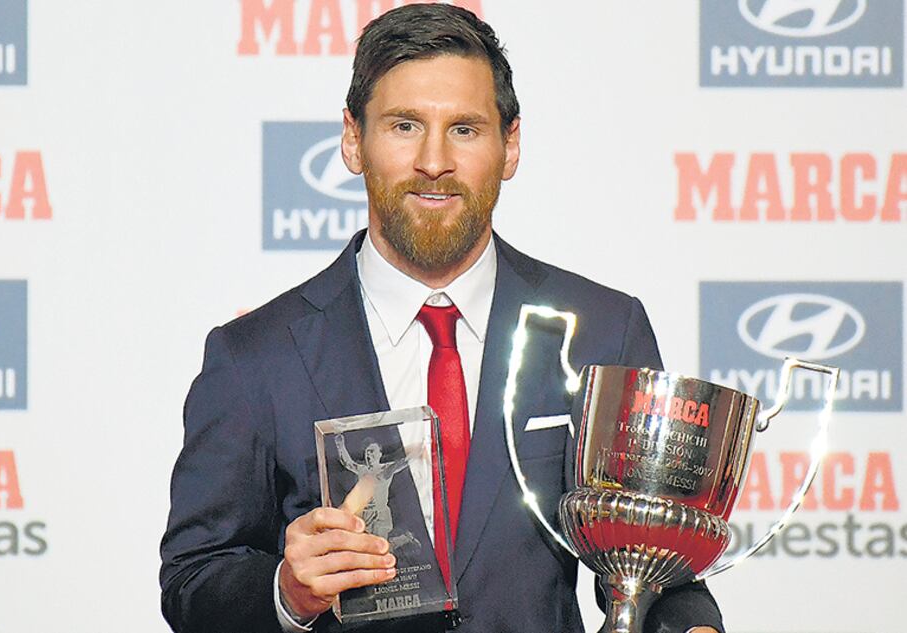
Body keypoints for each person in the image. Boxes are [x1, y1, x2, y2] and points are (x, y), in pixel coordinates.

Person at [159, 4, 725, 633]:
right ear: (353, 138)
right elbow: (192, 582)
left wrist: (689, 626)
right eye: (404, 126)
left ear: (510, 145)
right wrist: (287, 592)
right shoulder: (254, 356)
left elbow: (659, 568)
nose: (434, 160)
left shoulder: (602, 328)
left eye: (464, 128)